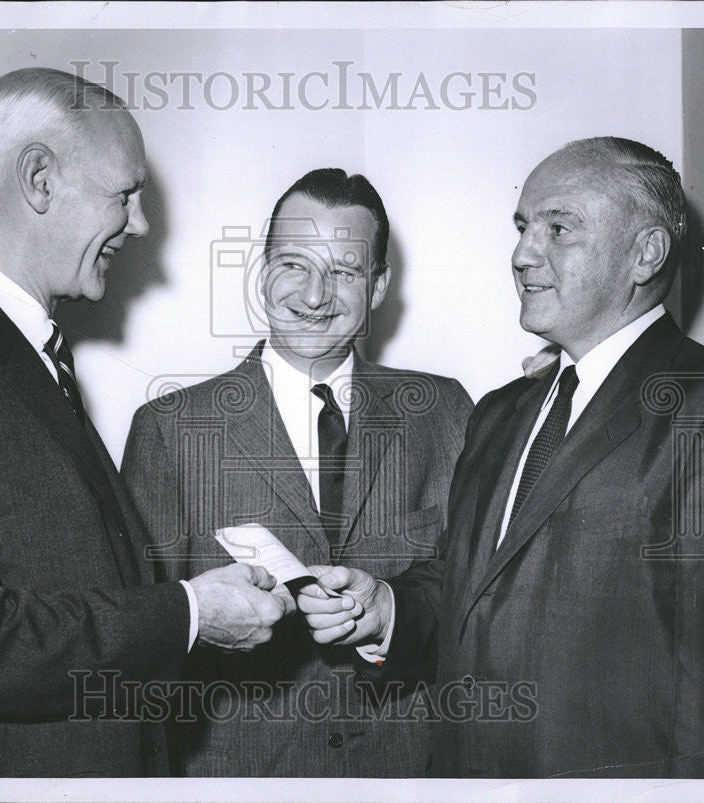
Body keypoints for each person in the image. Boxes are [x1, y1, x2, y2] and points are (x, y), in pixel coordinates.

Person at [0, 67, 291, 779]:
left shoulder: (21, 353)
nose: (139, 224)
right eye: (126, 194)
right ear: (39, 179)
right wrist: (188, 612)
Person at [299, 138, 704, 778]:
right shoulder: (499, 413)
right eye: (523, 228)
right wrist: (385, 607)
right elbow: (470, 582)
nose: (523, 254)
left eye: (559, 228)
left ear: (646, 253)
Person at [121, 168, 473, 776]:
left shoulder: (444, 412)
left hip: (409, 777)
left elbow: (477, 594)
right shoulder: (171, 428)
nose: (315, 295)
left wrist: (389, 610)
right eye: (294, 264)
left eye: (344, 271)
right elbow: (142, 631)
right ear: (263, 274)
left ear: (380, 285)